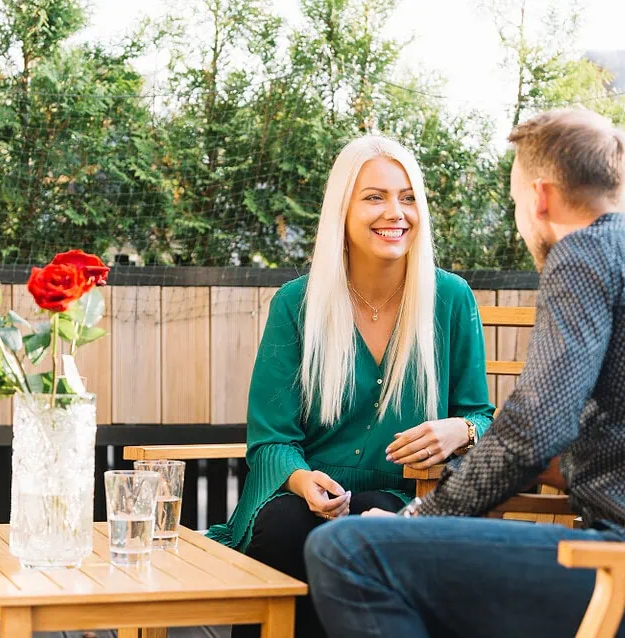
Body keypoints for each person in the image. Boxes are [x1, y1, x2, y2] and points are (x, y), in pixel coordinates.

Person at [303, 108, 625, 638]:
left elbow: (534, 430)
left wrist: (415, 520)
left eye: (516, 202)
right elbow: (572, 444)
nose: (520, 218)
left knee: (346, 551)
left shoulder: (584, 255)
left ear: (540, 198)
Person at [206, 135, 496, 638]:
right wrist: (302, 481)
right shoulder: (296, 304)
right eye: (374, 197)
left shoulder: (451, 299)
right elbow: (271, 438)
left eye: (408, 197)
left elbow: (482, 416)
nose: (396, 212)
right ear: (342, 208)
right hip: (295, 493)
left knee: (368, 525)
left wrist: (462, 431)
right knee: (289, 527)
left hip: (403, 494)